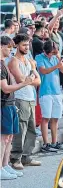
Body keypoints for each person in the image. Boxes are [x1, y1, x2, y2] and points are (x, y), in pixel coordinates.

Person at [1, 36, 34, 179]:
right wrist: (24, 83)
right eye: (9, 47)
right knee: (3, 138)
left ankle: (5, 165)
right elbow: (5, 88)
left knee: (9, 137)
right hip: (3, 104)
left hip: (10, 103)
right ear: (1, 47)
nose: (11, 50)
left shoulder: (4, 64)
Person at [8, 34, 41, 170]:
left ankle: (26, 156)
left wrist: (31, 76)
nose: (27, 47)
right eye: (24, 45)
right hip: (20, 98)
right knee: (20, 130)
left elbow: (38, 81)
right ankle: (16, 158)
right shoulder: (14, 61)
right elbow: (21, 80)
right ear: (16, 45)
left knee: (32, 130)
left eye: (28, 45)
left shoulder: (29, 60)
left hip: (30, 98)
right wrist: (30, 79)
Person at [36, 40, 63, 152]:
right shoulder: (39, 57)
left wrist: (59, 60)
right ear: (45, 51)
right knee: (46, 118)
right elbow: (43, 71)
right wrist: (56, 66)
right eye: (49, 53)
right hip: (45, 92)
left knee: (55, 118)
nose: (51, 55)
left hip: (56, 92)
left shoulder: (56, 57)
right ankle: (46, 143)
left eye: (53, 53)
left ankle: (54, 142)